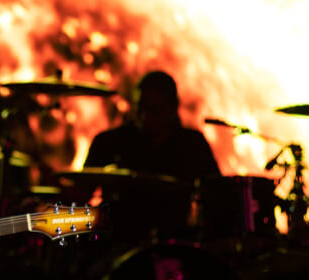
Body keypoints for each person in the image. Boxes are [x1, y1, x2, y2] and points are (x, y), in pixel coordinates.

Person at [82, 70, 221, 243]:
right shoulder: (110, 142)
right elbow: (80, 197)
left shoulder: (192, 145)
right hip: (118, 242)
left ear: (172, 109)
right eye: (141, 108)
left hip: (176, 242)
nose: (145, 117)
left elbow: (217, 196)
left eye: (155, 110)